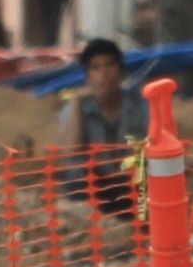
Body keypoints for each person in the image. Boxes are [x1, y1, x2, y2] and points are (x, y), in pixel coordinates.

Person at [54, 37, 148, 216]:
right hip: (94, 187)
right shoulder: (77, 107)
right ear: (88, 75)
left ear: (120, 69)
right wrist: (76, 102)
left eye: (109, 65)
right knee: (75, 169)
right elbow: (69, 152)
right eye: (95, 67)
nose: (104, 73)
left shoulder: (140, 106)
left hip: (131, 184)